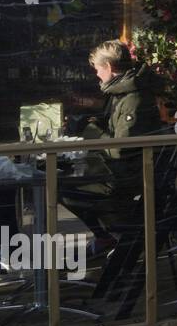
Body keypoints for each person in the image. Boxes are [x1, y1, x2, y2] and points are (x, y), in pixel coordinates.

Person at [61, 40, 166, 255]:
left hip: (127, 174)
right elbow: (118, 129)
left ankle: (116, 236)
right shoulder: (123, 90)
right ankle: (113, 235)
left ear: (109, 67)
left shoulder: (132, 97)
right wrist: (92, 122)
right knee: (63, 179)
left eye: (98, 69)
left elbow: (121, 149)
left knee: (62, 186)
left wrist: (90, 129)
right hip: (127, 169)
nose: (97, 75)